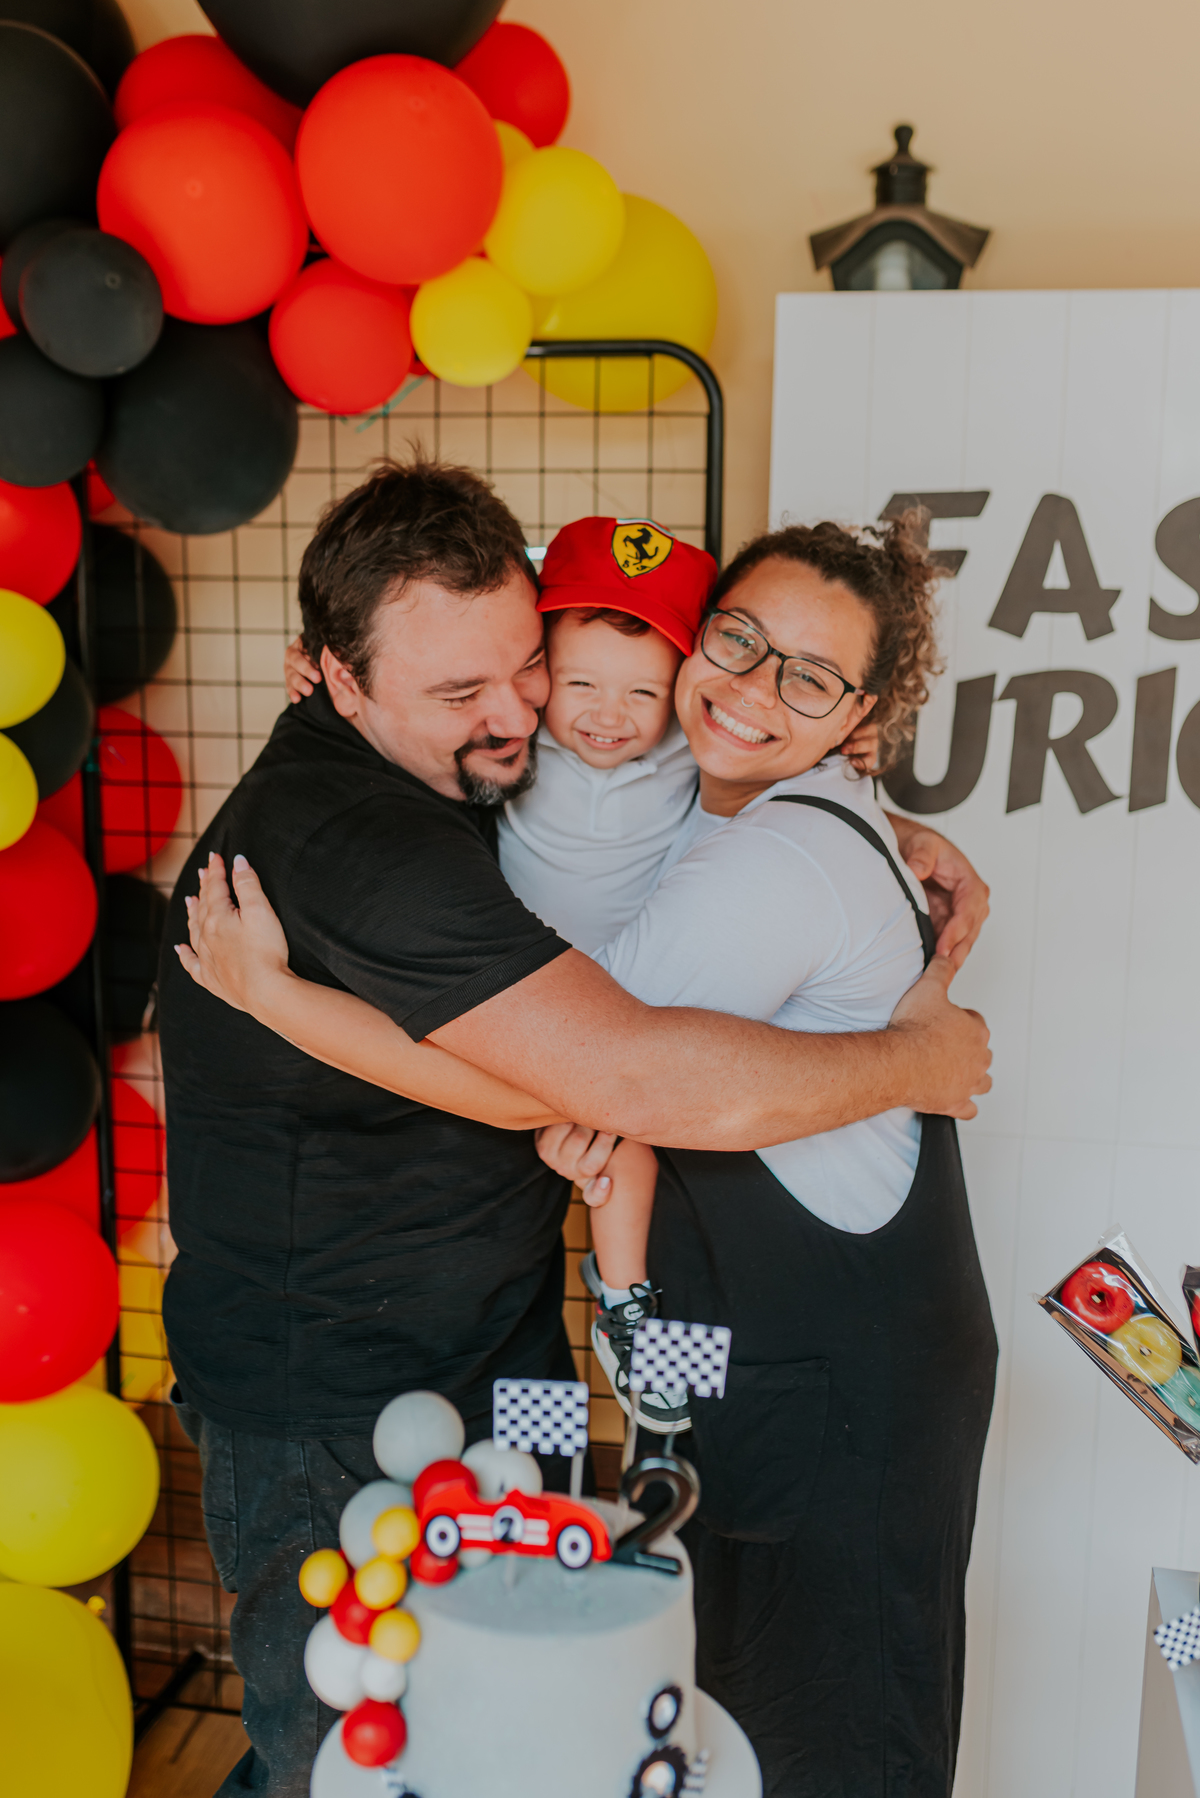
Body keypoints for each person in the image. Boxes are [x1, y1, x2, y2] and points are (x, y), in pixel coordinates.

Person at [163, 458, 990, 1797]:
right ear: (331, 675)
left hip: (499, 1355)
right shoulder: (363, 839)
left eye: (525, 670)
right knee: (346, 1750)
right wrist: (913, 1056)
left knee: (512, 1728)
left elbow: (650, 783)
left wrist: (877, 816)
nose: (523, 719)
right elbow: (617, 1081)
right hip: (335, 1403)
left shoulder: (483, 761)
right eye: (461, 693)